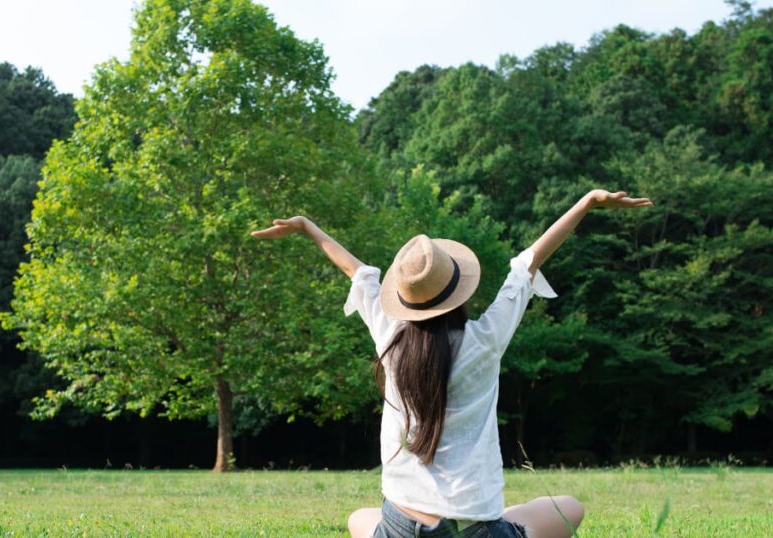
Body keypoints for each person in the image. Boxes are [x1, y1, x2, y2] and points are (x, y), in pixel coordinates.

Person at [252, 189, 652, 538]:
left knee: (360, 517)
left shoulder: (391, 337)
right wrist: (586, 204)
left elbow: (357, 272)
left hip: (400, 527)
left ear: (405, 300)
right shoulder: (484, 341)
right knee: (569, 506)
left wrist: (308, 227)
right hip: (475, 531)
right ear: (459, 294)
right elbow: (527, 263)